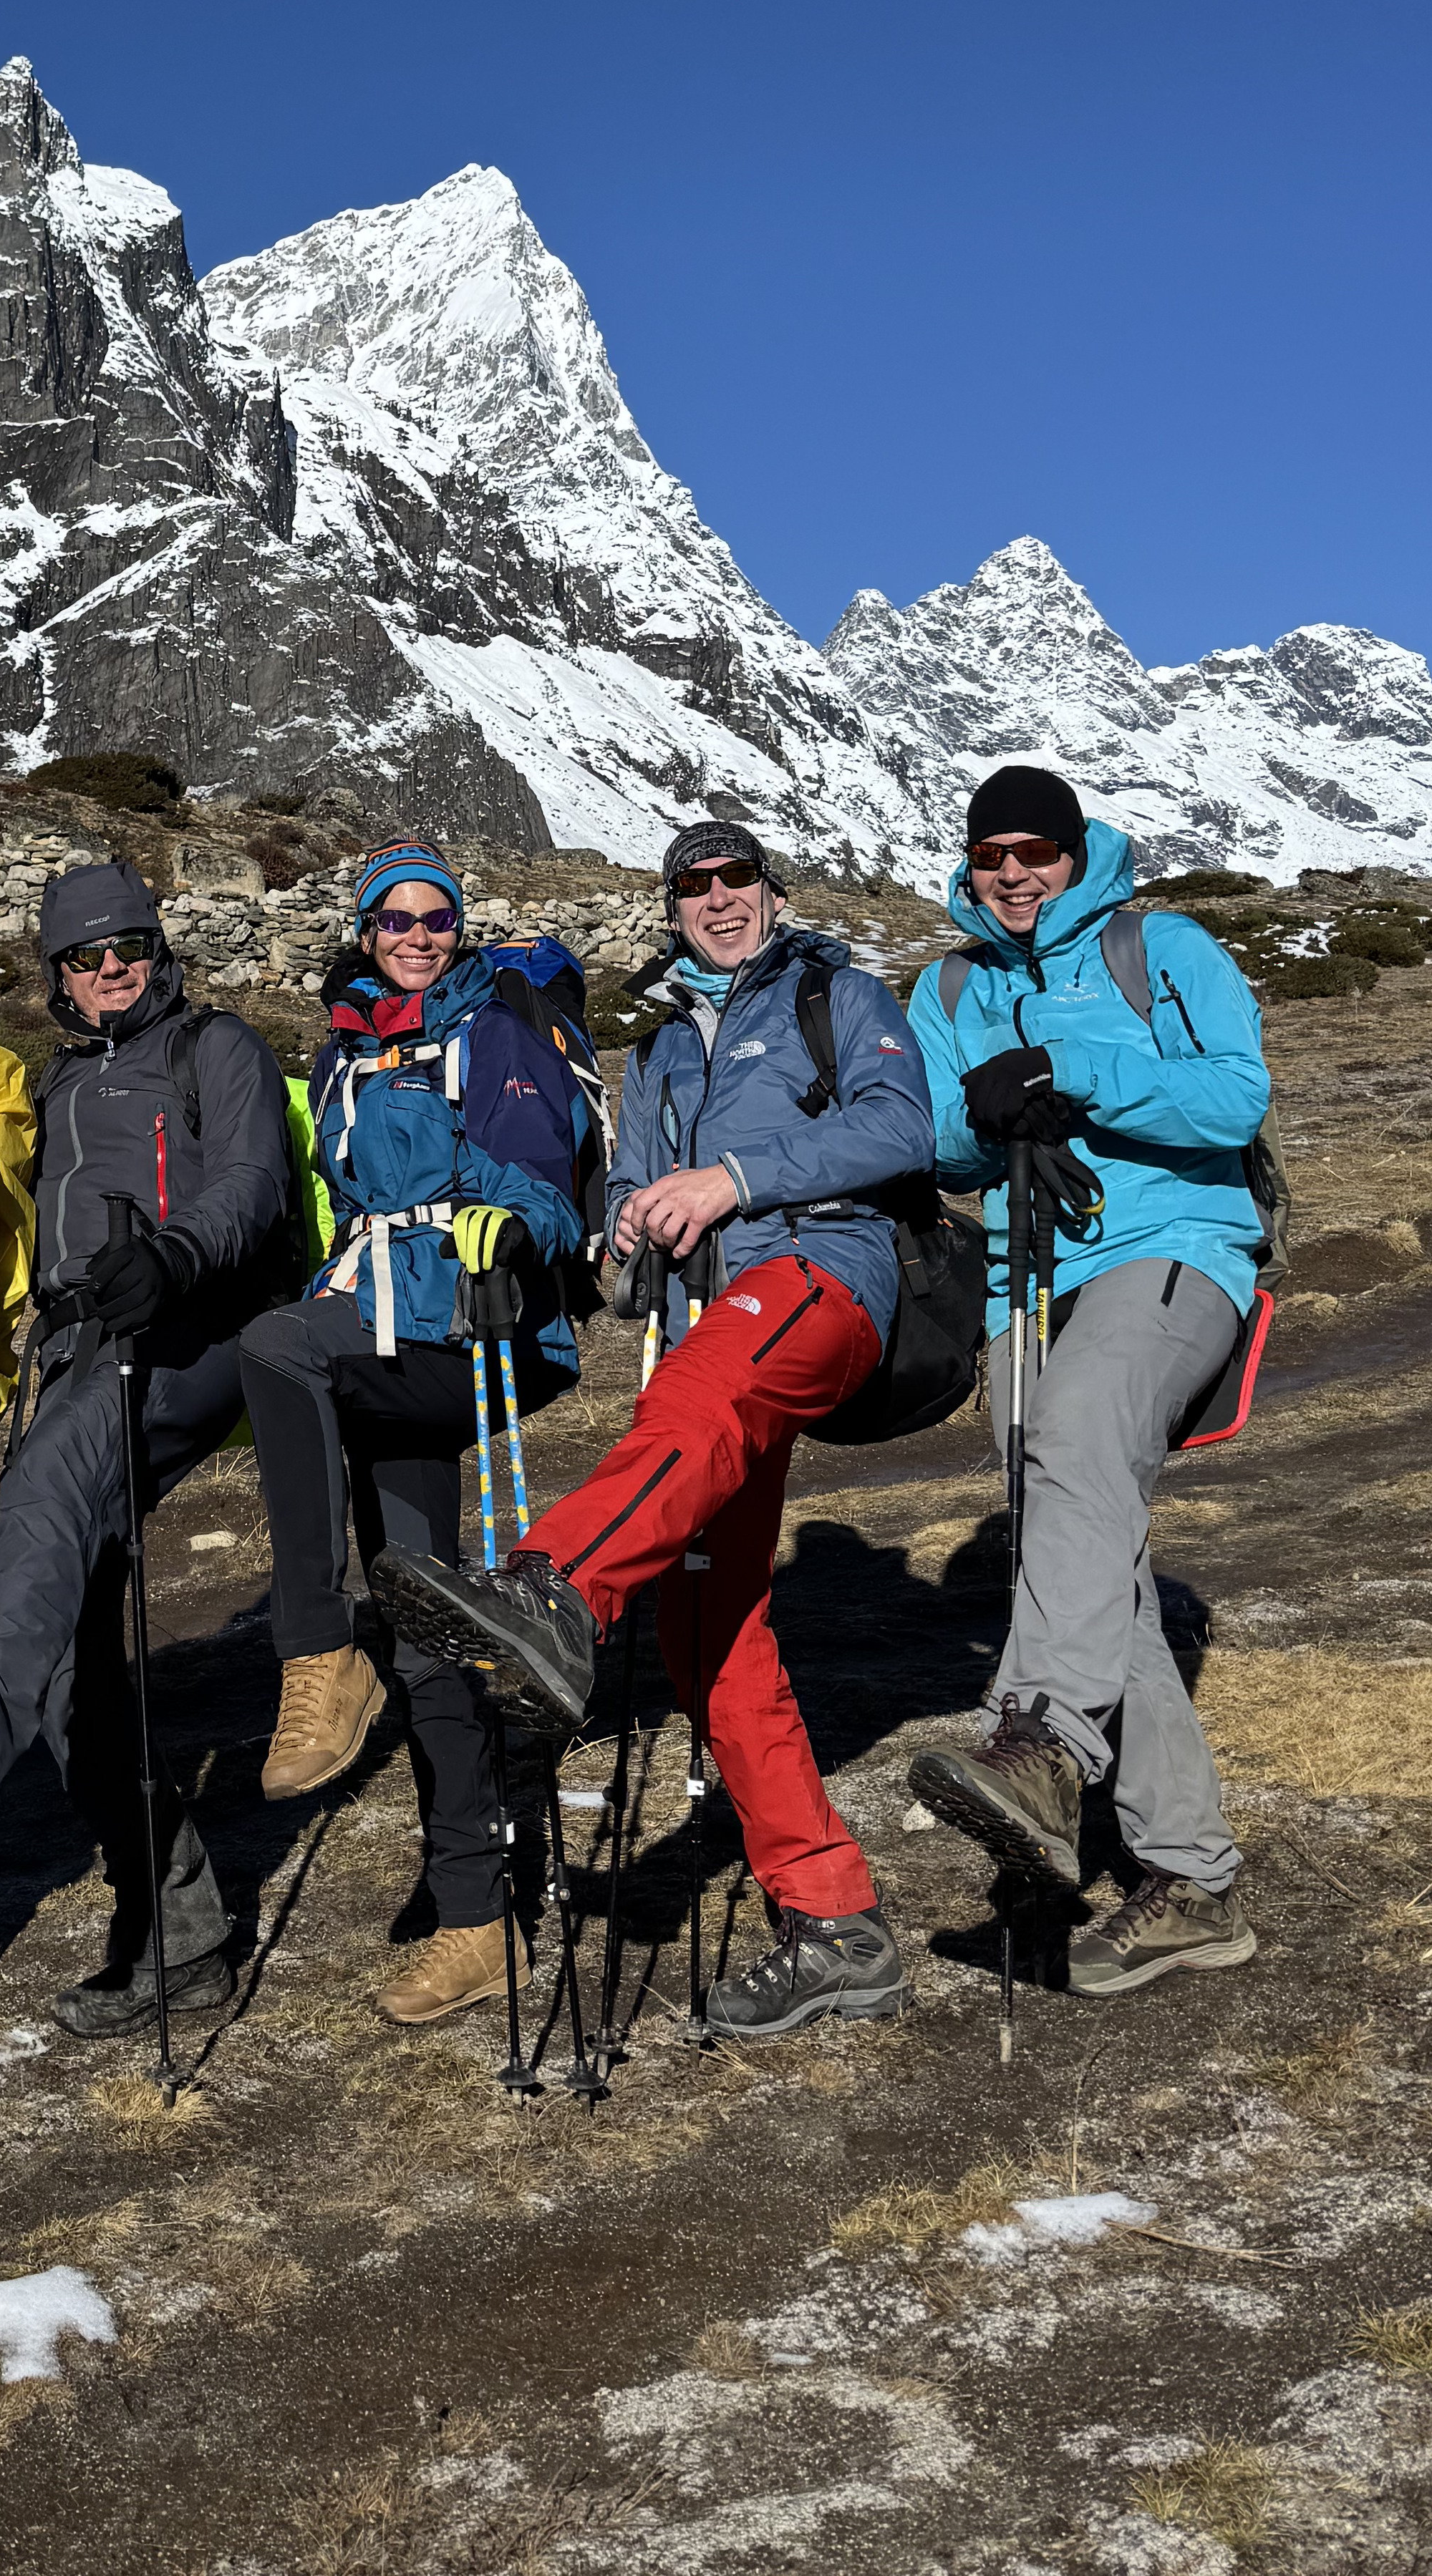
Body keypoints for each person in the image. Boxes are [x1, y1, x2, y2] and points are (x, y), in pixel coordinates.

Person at [372, 822, 929, 2041]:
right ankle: (834, 1920)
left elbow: (901, 1132)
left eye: (738, 880)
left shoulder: (841, 995)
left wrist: (728, 1179)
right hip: (705, 1316)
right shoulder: (662, 1043)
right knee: (703, 1626)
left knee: (694, 1407)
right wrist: (629, 1225)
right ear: (672, 909)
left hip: (820, 1273)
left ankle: (553, 1587)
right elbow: (628, 1188)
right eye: (695, 886)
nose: (719, 899)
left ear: (772, 894)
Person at [0, 859, 297, 2036]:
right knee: (75, 1662)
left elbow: (253, 1187)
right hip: (78, 1352)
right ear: (58, 978)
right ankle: (183, 1931)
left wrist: (175, 1259)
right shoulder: (60, 1083)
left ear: (157, 947)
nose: (110, 968)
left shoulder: (213, 1047)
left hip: (191, 1330)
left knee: (45, 1496)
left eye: (128, 945)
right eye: (83, 957)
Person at [901, 766, 1268, 1993]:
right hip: (1024, 1284)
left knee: (1070, 1455)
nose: (1014, 871)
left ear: (1075, 851)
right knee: (1085, 1543)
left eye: (1036, 849)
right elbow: (944, 1153)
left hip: (1174, 1252)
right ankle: (1190, 1880)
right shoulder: (946, 984)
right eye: (992, 851)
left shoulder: (1157, 946)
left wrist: (1074, 1072)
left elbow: (1237, 1092)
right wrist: (981, 1112)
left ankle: (1043, 1742)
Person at [231, 835, 591, 2023]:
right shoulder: (345, 1051)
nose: (419, 935)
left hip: (466, 1335)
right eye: (396, 920)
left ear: (462, 928)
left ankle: (319, 1652)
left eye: (438, 918)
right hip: (380, 1329)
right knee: (430, 1614)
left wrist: (505, 1221)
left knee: (277, 1347)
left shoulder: (494, 1034)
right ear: (365, 930)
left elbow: (545, 1178)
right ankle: (478, 1922)